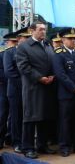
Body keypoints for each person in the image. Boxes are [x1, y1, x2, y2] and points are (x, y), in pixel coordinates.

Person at [16, 21, 57, 159]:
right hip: (33, 88)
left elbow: (52, 62)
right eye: (40, 29)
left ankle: (42, 145)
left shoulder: (47, 44)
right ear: (31, 30)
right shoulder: (24, 46)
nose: (43, 32)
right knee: (30, 118)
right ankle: (27, 147)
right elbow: (23, 67)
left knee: (44, 117)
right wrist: (40, 78)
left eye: (45, 30)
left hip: (48, 86)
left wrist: (52, 75)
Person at [52, 28, 75, 157]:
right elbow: (61, 75)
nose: (73, 40)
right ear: (62, 39)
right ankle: (64, 147)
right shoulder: (58, 54)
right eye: (70, 38)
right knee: (65, 121)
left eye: (74, 38)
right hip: (67, 94)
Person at [3, 28, 31, 153]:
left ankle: (27, 141)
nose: (28, 40)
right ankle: (16, 142)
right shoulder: (10, 52)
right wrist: (24, 84)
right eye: (26, 38)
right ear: (19, 39)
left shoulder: (30, 52)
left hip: (30, 90)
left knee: (28, 117)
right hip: (16, 90)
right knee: (16, 117)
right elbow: (9, 71)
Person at [0, 32, 15, 150]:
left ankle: (10, 138)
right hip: (3, 87)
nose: (14, 44)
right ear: (6, 42)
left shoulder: (18, 53)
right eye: (12, 42)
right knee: (2, 114)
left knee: (14, 115)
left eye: (16, 42)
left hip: (15, 87)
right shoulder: (2, 54)